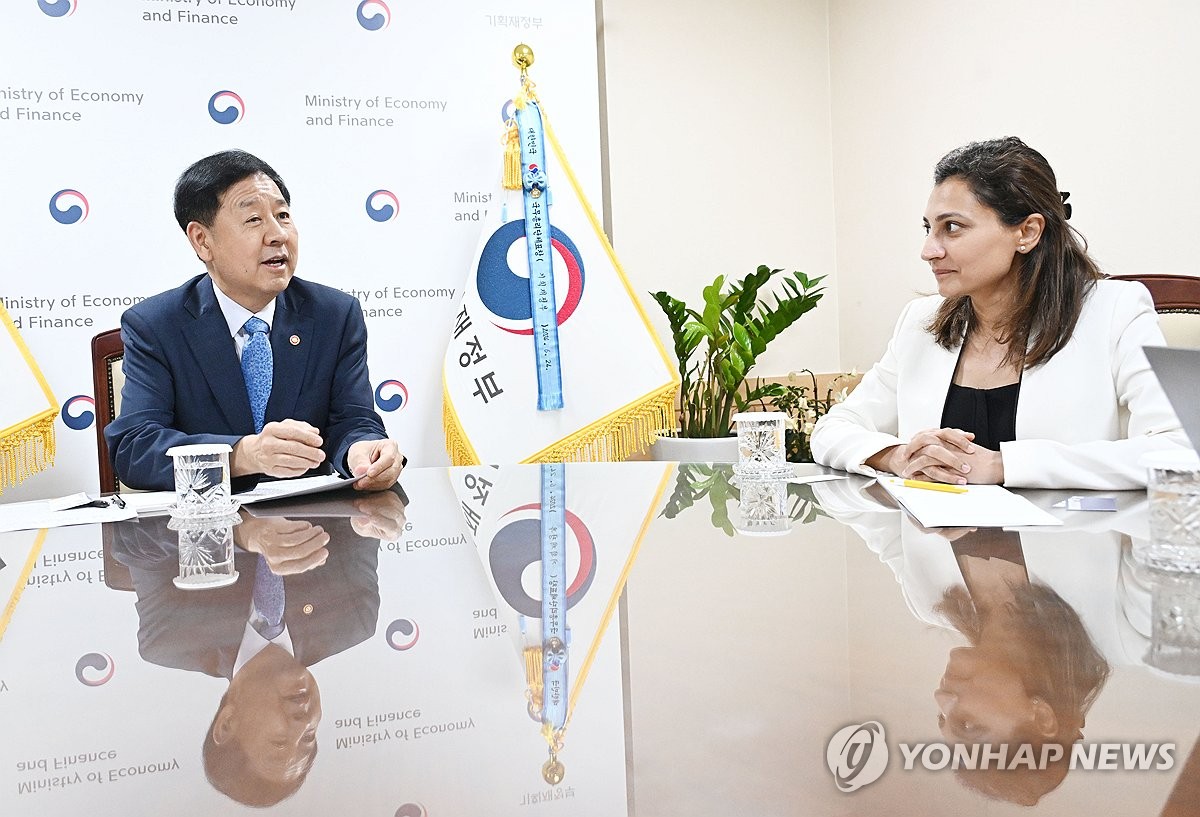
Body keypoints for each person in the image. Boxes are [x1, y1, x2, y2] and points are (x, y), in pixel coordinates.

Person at [811, 137, 1187, 489]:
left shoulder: (1115, 311)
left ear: (1027, 232)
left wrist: (1002, 465)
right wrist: (898, 456)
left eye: (952, 227)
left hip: (1071, 536)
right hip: (938, 536)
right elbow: (833, 429)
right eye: (928, 228)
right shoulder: (919, 322)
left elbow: (1179, 451)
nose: (928, 251)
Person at [105, 149, 405, 492]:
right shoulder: (156, 326)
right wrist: (243, 455)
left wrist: (362, 451)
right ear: (202, 241)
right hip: (209, 521)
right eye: (253, 220)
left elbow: (353, 421)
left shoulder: (334, 315)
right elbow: (136, 448)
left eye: (283, 215)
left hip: (311, 520)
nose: (278, 235)